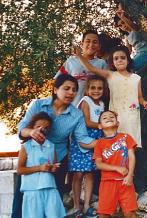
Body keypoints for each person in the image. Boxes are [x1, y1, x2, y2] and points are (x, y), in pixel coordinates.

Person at [13, 74, 95, 218]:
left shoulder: (76, 115)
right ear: (56, 89)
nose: (71, 92)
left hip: (56, 160)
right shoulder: (39, 104)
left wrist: (106, 142)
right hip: (31, 157)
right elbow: (22, 128)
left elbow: (83, 139)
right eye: (67, 88)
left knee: (53, 203)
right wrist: (31, 132)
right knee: (23, 202)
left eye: (74, 90)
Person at [76, 45, 147, 194]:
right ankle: (114, 184)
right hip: (115, 121)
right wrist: (80, 56)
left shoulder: (137, 78)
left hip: (132, 119)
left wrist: (145, 103)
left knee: (131, 150)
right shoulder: (111, 75)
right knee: (115, 150)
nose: (119, 60)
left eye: (122, 57)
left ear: (128, 60)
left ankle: (131, 183)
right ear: (112, 62)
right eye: (116, 58)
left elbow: (140, 97)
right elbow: (92, 68)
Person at [68, 75, 107, 217]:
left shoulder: (102, 104)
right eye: (93, 88)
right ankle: (76, 206)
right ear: (87, 89)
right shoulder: (85, 101)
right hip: (83, 139)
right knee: (78, 173)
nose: (96, 91)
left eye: (99, 88)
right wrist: (101, 126)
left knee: (91, 172)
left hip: (97, 139)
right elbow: (86, 121)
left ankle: (86, 206)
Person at [16, 112, 66, 218]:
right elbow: (20, 170)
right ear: (32, 128)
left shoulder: (51, 146)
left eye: (46, 127)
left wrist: (54, 168)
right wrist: (39, 168)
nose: (42, 129)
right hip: (32, 190)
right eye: (38, 126)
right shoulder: (26, 146)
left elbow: (55, 166)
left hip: (50, 188)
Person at [93, 110, 138, 218]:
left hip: (125, 181)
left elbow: (132, 157)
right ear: (100, 126)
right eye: (104, 118)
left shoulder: (126, 137)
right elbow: (98, 164)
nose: (108, 118)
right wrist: (116, 168)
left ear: (117, 123)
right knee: (104, 213)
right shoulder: (99, 143)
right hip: (107, 182)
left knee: (130, 213)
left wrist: (130, 175)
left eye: (112, 117)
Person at [55, 30, 108, 106]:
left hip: (93, 108)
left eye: (95, 42)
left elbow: (106, 87)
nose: (91, 44)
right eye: (88, 41)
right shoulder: (71, 61)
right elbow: (58, 82)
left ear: (99, 46)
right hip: (72, 107)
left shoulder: (101, 63)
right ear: (82, 44)